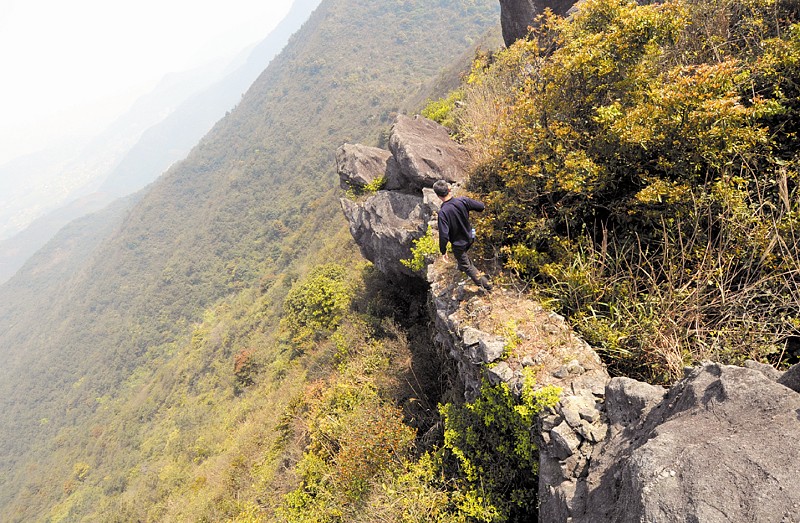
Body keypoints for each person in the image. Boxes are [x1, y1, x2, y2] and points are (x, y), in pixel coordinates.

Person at [433, 180, 493, 291]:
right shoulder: (462, 201)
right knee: (462, 258)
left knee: (468, 266)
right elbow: (481, 207)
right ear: (449, 190)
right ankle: (461, 265)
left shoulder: (443, 213)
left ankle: (487, 286)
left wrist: (443, 251)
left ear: (437, 195)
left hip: (459, 244)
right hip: (470, 237)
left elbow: (444, 235)